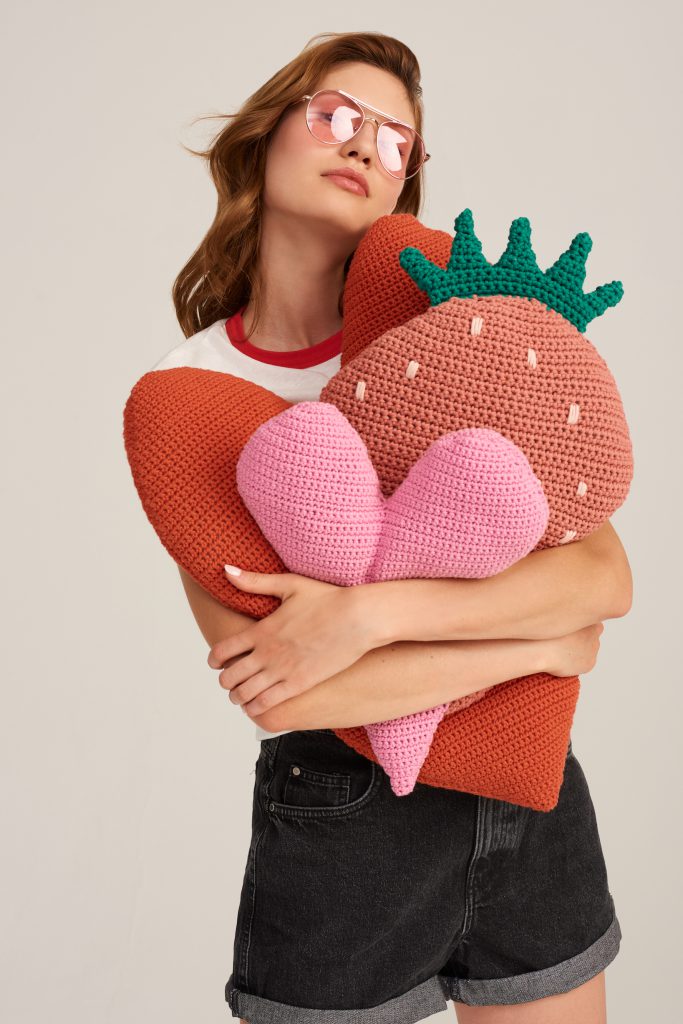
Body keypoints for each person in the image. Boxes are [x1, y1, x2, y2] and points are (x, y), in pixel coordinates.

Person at [165, 31, 632, 1024]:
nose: (360, 144)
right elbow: (287, 691)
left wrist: (365, 618)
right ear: (265, 135)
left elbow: (600, 575)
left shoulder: (444, 322)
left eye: (393, 140)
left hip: (528, 792)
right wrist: (540, 643)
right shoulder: (195, 394)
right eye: (334, 115)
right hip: (345, 824)